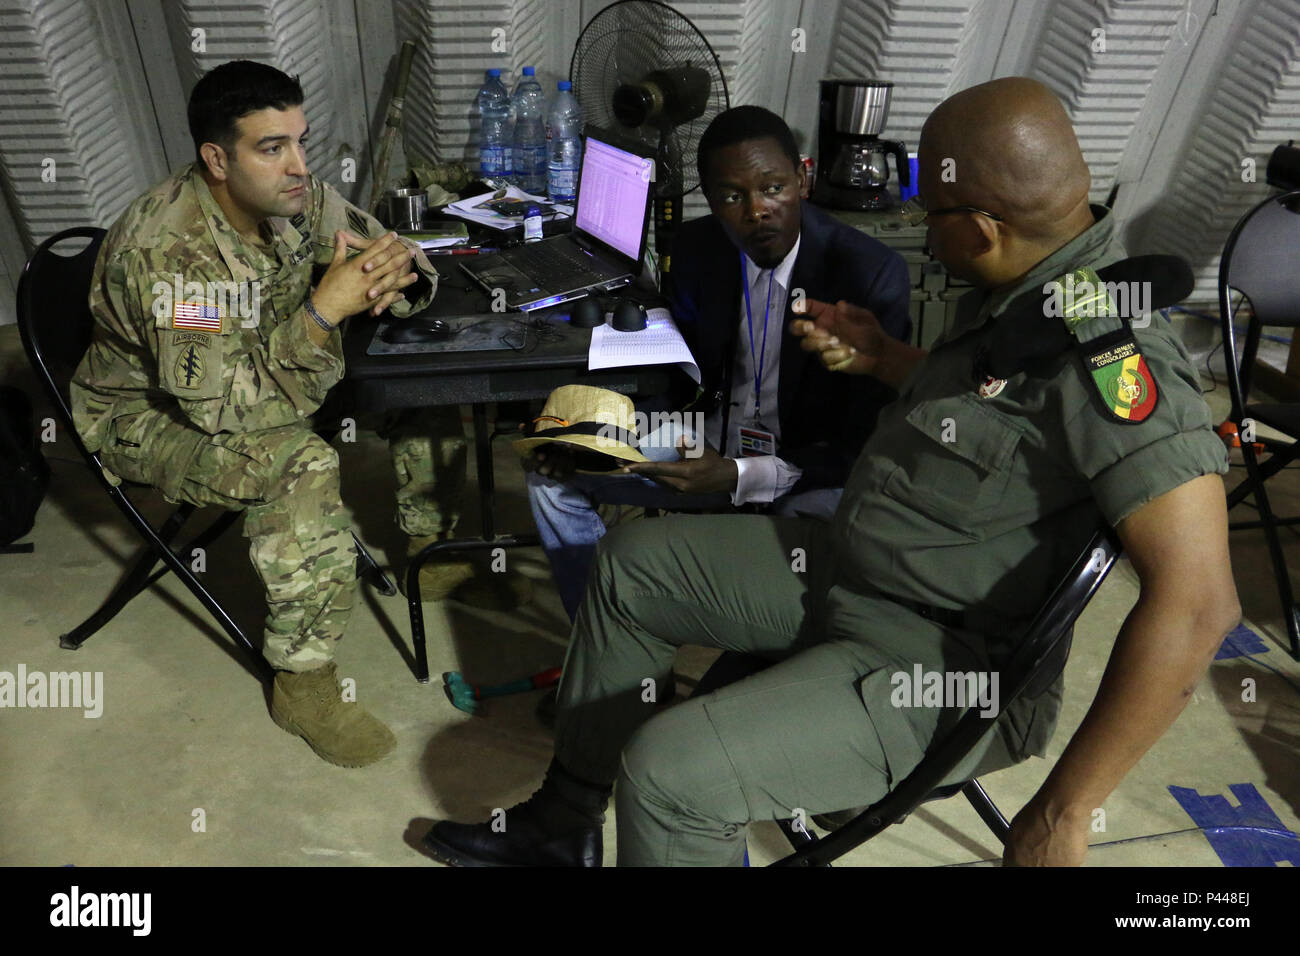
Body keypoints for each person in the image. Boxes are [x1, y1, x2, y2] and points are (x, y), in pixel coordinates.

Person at [419, 76, 1241, 866]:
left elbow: (1199, 603)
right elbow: (997, 419)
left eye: (932, 204)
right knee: (634, 566)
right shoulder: (1027, 292)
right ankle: (562, 830)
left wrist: (1065, 810)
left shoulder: (1115, 354)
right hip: (852, 569)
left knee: (670, 773)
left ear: (984, 226)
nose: (917, 215)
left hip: (941, 659)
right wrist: (888, 358)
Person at [70, 60, 475, 768]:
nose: (299, 167)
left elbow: (393, 249)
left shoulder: (294, 195)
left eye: (301, 141)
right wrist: (326, 310)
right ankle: (303, 680)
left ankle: (431, 549)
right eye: (273, 147)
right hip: (149, 415)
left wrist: (391, 275)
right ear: (217, 160)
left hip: (265, 366)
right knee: (298, 465)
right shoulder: (170, 258)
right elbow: (227, 412)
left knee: (425, 372)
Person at [525, 106, 911, 620]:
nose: (757, 211)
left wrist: (738, 475)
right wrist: (597, 439)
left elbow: (866, 444)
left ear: (802, 178)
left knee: (814, 536)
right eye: (732, 197)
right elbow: (676, 372)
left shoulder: (868, 273)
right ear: (709, 199)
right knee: (551, 478)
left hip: (807, 470)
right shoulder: (695, 248)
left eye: (773, 187)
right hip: (703, 442)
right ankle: (603, 638)